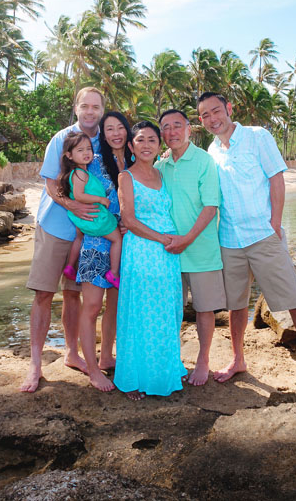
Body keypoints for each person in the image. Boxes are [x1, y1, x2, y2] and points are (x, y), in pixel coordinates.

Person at [197, 92, 296, 381]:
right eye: (205, 115)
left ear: (229, 108)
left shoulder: (257, 136)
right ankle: (238, 360)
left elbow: (276, 178)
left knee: (294, 300)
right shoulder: (211, 151)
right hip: (229, 240)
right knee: (236, 305)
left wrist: (275, 223)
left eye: (216, 111)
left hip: (263, 235)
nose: (212, 119)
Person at [20, 87, 105, 393]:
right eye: (85, 106)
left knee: (72, 294)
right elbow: (50, 182)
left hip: (87, 234)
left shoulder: (105, 140)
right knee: (44, 294)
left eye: (96, 107)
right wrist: (72, 205)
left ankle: (71, 353)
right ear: (76, 107)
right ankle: (35, 365)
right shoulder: (62, 138)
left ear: (102, 110)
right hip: (55, 227)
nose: (90, 111)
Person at [114, 121, 187, 400]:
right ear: (131, 146)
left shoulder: (162, 173)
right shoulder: (126, 177)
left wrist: (171, 241)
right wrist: (162, 239)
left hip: (168, 255)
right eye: (140, 140)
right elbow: (129, 220)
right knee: (140, 312)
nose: (146, 145)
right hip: (143, 251)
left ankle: (166, 369)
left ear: (159, 146)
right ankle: (133, 378)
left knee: (167, 311)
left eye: (152, 140)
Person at [156, 109, 224, 386]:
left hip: (201, 250)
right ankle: (173, 360)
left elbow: (210, 206)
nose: (171, 132)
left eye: (177, 125)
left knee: (204, 309)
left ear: (189, 129)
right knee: (170, 309)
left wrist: (187, 238)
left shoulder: (204, 161)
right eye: (166, 127)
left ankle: (203, 361)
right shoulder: (159, 166)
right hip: (168, 253)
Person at [75, 111, 133, 392]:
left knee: (116, 305)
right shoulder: (93, 161)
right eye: (109, 129)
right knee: (92, 306)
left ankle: (107, 356)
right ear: (103, 134)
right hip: (97, 242)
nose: (115, 133)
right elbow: (69, 187)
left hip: (128, 244)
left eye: (120, 127)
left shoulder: (137, 159)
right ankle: (93, 370)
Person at [57, 132, 122, 288]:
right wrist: (100, 199)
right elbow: (79, 195)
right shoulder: (79, 173)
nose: (86, 153)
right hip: (93, 217)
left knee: (79, 237)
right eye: (80, 150)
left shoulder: (79, 172)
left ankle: (70, 266)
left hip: (82, 218)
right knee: (117, 239)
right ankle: (113, 273)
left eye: (88, 149)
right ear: (69, 155)